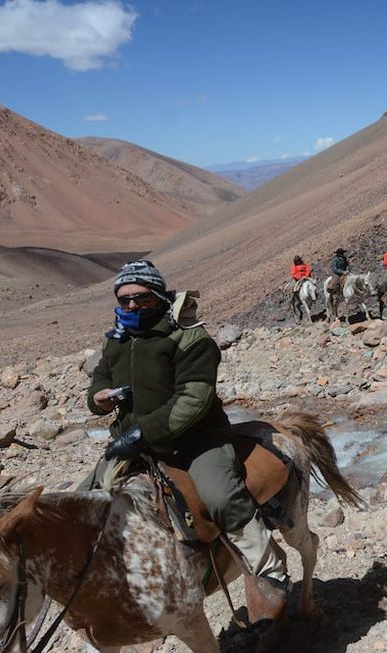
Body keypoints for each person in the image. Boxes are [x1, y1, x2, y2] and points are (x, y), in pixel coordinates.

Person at [87, 260, 288, 619]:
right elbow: (100, 379)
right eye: (124, 299)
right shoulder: (117, 339)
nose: (131, 306)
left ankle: (269, 569)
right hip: (135, 441)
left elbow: (194, 399)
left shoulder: (190, 336)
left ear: (159, 295)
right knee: (86, 500)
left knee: (220, 495)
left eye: (141, 298)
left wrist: (143, 432)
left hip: (196, 440)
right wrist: (99, 398)